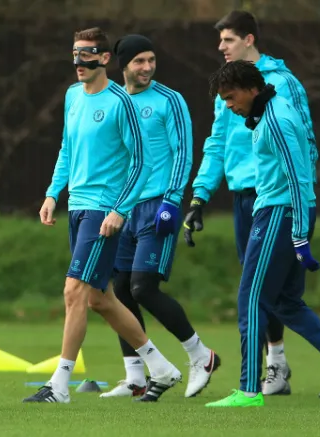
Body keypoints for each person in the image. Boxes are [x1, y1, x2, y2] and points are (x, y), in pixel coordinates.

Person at [24, 27, 181, 404]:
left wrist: (120, 209)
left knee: (73, 291)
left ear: (105, 58)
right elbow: (67, 148)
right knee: (101, 299)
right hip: (77, 206)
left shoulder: (120, 102)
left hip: (103, 211)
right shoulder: (72, 96)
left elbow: (141, 163)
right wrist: (51, 193)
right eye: (75, 53)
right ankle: (161, 368)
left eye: (88, 54)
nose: (79, 62)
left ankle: (59, 386)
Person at [203, 60, 320, 409]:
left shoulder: (277, 119)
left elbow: (298, 176)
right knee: (286, 303)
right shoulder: (271, 110)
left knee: (250, 298)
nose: (229, 105)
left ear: (252, 89)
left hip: (280, 212)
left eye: (231, 97)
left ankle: (248, 391)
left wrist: (298, 234)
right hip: (287, 210)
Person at [183, 9, 319, 396]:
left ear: (248, 39)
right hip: (244, 196)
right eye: (220, 40)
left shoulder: (282, 82)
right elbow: (217, 143)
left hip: (276, 196)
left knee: (270, 290)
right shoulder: (228, 87)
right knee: (256, 285)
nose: (221, 47)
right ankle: (272, 368)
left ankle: (273, 368)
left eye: (227, 40)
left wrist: (304, 198)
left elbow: (306, 139)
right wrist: (200, 196)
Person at [98, 34, 220, 399]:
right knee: (119, 290)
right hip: (122, 208)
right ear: (123, 65)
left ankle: (201, 355)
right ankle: (135, 376)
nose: (147, 67)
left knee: (142, 288)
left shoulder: (169, 100)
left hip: (157, 205)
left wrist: (172, 200)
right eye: (139, 61)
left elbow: (183, 152)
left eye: (151, 60)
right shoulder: (114, 101)